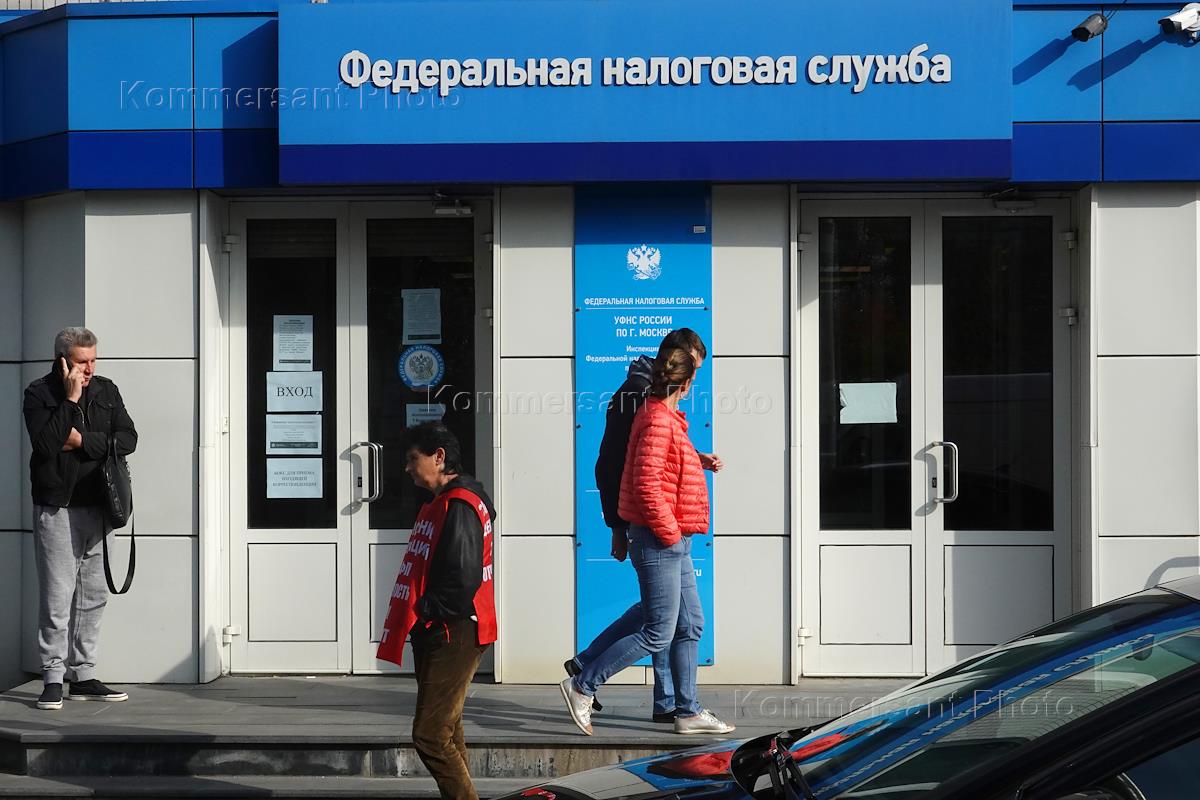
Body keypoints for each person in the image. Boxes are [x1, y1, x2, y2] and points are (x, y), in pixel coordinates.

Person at [561, 347, 734, 736]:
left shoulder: (663, 415)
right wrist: (669, 533)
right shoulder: (656, 418)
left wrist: (696, 460)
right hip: (660, 540)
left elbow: (662, 463)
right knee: (658, 630)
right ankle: (583, 684)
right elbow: (646, 485)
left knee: (691, 623)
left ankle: (687, 711)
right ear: (685, 382)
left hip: (674, 539)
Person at [376, 422, 496, 800]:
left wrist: (425, 611)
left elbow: (461, 579)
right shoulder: (447, 501)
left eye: (413, 459)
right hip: (447, 627)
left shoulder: (458, 504)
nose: (407, 468)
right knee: (447, 728)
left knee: (429, 733)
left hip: (452, 629)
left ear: (439, 457)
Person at [22, 327, 137, 711]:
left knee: (94, 596)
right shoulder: (40, 394)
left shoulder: (107, 390)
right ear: (62, 361)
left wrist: (82, 441)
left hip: (101, 507)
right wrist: (70, 400)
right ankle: (53, 678)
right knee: (57, 597)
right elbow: (46, 445)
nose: (89, 369)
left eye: (93, 361)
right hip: (57, 507)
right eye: (81, 362)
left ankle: (83, 675)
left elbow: (128, 439)